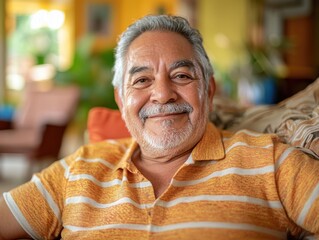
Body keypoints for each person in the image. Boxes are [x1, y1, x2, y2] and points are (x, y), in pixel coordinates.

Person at [0, 14, 318, 240]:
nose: (163, 94)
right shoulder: (77, 170)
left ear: (208, 90)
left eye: (182, 76)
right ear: (121, 100)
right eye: (142, 80)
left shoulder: (269, 161)